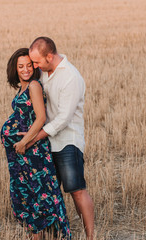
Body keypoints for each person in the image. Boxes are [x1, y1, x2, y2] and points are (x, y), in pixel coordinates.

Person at [18, 37, 95, 239]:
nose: (34, 67)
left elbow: (62, 119)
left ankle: (90, 237)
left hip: (68, 142)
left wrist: (32, 138)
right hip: (46, 143)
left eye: (36, 62)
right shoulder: (44, 73)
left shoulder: (71, 77)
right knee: (49, 194)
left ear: (49, 56)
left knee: (76, 190)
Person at [0, 48, 72, 240]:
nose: (25, 69)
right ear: (14, 69)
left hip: (34, 151)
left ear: (34, 66)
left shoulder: (34, 86)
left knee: (40, 194)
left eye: (29, 65)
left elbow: (40, 119)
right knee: (28, 195)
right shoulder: (22, 87)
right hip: (21, 154)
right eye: (20, 66)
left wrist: (24, 141)